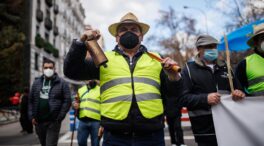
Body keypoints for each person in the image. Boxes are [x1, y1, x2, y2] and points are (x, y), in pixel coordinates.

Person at [64, 12, 183, 146]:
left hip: (152, 136)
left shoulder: (157, 59)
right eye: (123, 30)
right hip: (114, 137)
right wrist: (81, 43)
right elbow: (71, 71)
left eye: (133, 29)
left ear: (141, 36)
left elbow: (173, 94)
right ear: (116, 37)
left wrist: (174, 78)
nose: (129, 32)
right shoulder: (103, 59)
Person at [180, 35, 245, 146]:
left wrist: (238, 93)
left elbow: (239, 90)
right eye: (207, 47)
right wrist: (205, 99)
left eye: (214, 46)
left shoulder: (226, 67)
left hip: (230, 126)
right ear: (198, 49)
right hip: (204, 131)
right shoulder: (188, 69)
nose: (212, 49)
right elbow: (183, 98)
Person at [28, 59, 71, 146]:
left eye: (50, 67)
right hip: (38, 121)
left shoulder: (62, 83)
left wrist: (60, 117)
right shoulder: (36, 83)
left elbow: (67, 100)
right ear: (42, 69)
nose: (48, 70)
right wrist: (31, 116)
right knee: (43, 144)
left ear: (54, 69)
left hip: (53, 121)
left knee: (50, 144)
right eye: (46, 67)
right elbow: (31, 100)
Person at [236, 23, 264, 96]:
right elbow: (238, 91)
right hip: (256, 106)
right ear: (256, 42)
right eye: (263, 38)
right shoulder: (244, 64)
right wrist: (239, 93)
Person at [73, 80, 101, 146]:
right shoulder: (80, 90)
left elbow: (104, 106)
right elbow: (76, 102)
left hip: (96, 122)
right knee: (81, 142)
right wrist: (75, 105)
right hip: (83, 121)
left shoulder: (100, 90)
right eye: (88, 78)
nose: (90, 80)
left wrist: (103, 124)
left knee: (95, 144)